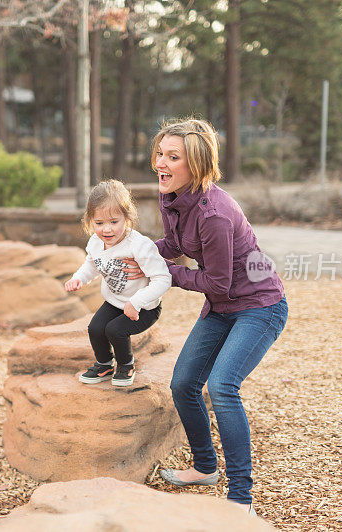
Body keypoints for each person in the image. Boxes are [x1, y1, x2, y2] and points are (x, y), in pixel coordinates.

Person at [123, 118, 287, 515]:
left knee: (223, 387)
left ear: (195, 166)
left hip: (259, 305)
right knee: (183, 385)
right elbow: (176, 244)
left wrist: (159, 273)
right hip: (222, 307)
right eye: (160, 153)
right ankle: (205, 467)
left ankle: (241, 499)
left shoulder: (214, 213)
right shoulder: (173, 195)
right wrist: (138, 253)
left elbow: (216, 282)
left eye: (172, 157)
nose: (161, 163)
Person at [65, 179, 172, 387]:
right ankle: (104, 364)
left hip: (144, 307)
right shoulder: (96, 243)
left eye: (114, 222)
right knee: (96, 328)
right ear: (90, 221)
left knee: (115, 330)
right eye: (99, 223)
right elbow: (91, 265)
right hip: (115, 302)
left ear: (127, 218)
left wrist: (137, 302)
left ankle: (126, 365)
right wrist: (78, 278)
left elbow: (163, 278)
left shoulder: (139, 246)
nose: (107, 229)